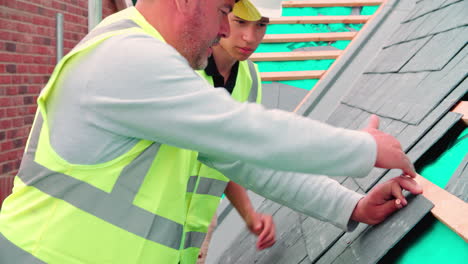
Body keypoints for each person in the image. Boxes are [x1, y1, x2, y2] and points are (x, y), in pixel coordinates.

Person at [0, 0, 421, 263]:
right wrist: (366, 149)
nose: (226, 30)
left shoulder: (170, 68)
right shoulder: (125, 57)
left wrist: (352, 206)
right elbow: (245, 132)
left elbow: (248, 161)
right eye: (223, 12)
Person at [195, 1, 277, 261]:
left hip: (198, 228)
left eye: (261, 25)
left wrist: (249, 216)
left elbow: (231, 156)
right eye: (240, 22)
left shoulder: (251, 77)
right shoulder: (184, 66)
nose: (249, 38)